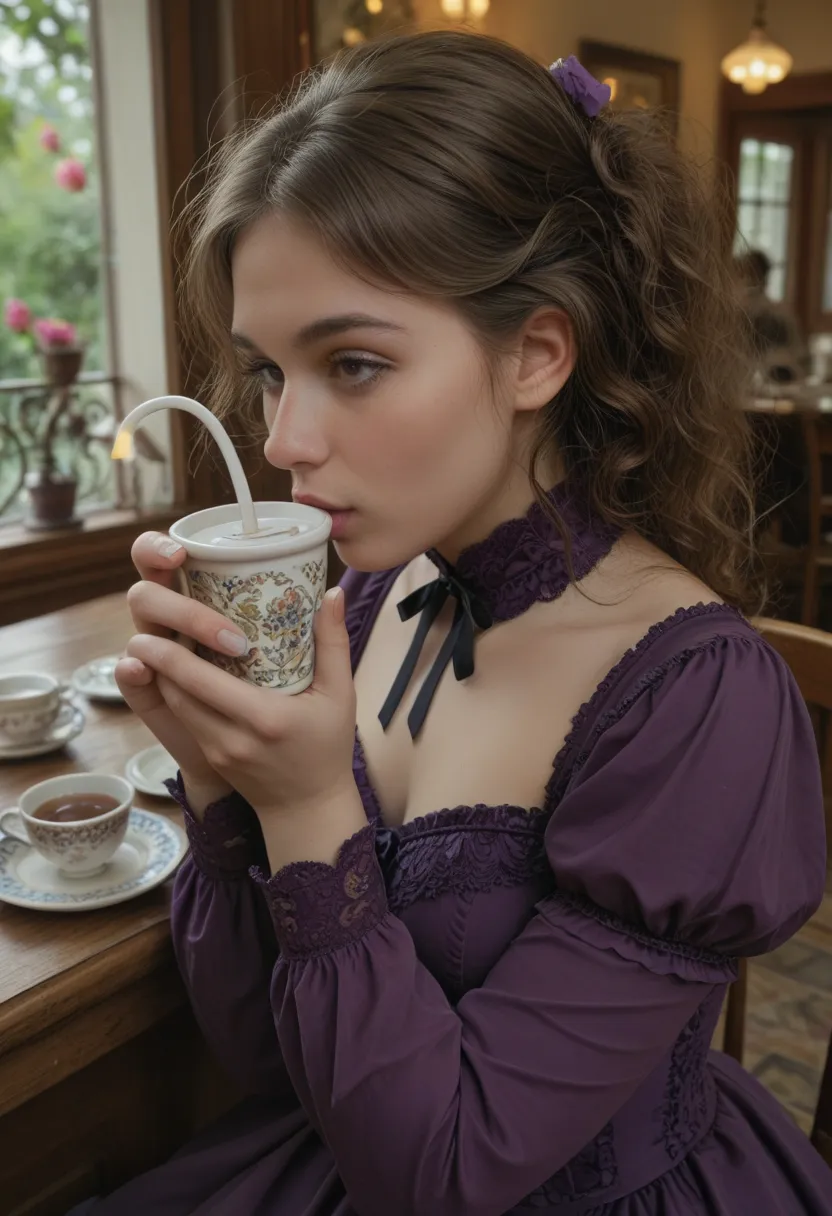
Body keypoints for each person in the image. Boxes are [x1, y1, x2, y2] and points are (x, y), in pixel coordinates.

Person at [69, 33, 831, 1216]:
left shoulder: (690, 700)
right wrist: (221, 782)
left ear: (535, 352)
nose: (283, 441)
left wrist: (313, 806)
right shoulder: (371, 598)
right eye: (269, 371)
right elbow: (267, 1060)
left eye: (355, 363)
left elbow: (447, 1174)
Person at [734, 247, 809, 384]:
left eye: (753, 274)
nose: (749, 279)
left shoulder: (779, 314)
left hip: (776, 381)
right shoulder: (734, 310)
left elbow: (798, 355)